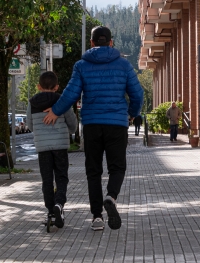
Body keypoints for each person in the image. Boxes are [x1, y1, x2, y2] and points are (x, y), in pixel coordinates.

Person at [43, 26, 143, 232]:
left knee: (93, 171)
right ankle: (111, 197)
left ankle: (97, 217)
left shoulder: (81, 65)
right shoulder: (124, 65)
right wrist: (132, 113)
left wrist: (55, 110)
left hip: (92, 125)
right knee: (118, 167)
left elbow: (71, 94)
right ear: (111, 42)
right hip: (116, 124)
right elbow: (138, 94)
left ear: (91, 43)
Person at [27, 71, 78, 229]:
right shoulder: (63, 101)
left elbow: (30, 125)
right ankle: (59, 203)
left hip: (43, 148)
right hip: (60, 147)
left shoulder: (32, 103)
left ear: (38, 86)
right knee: (61, 177)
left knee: (47, 179)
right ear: (57, 87)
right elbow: (73, 125)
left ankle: (50, 210)